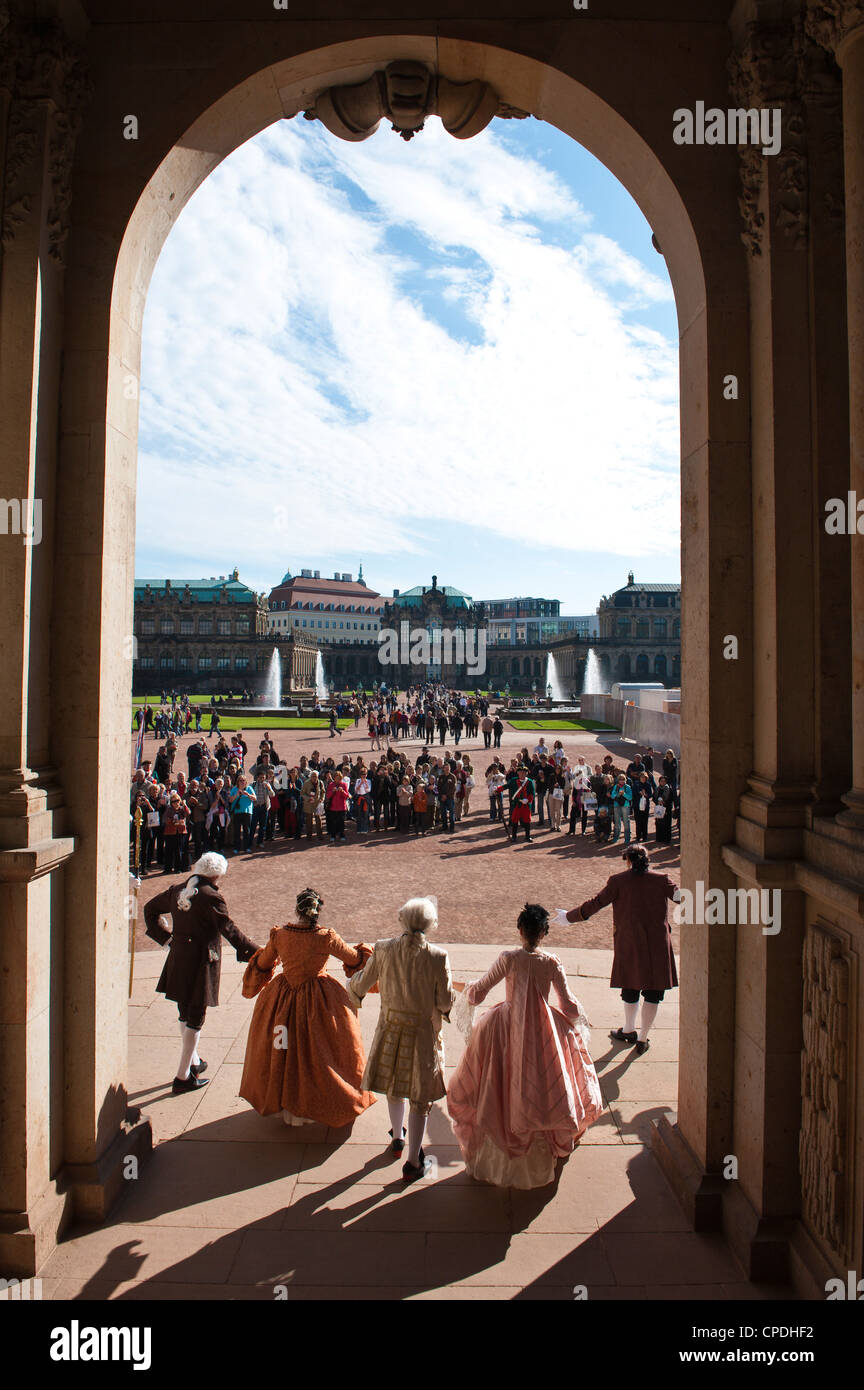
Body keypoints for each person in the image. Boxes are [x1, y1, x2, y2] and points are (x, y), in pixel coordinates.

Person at [447, 904, 603, 1188]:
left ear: (520, 930)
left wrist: (463, 989)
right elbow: (567, 1004)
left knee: (501, 1086)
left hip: (507, 1025)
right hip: (544, 1030)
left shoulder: (508, 959)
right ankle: (540, 1148)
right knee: (543, 1085)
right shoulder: (552, 963)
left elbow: (479, 993)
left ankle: (504, 1148)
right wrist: (578, 1020)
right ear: (543, 933)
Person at [239, 887, 376, 1126]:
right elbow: (354, 959)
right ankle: (318, 1102)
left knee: (284, 1048)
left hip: (282, 997)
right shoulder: (326, 936)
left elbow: (262, 963)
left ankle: (285, 1100)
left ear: (297, 909)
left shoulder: (280, 935)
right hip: (319, 998)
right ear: (318, 911)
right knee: (321, 1053)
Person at [347, 897, 456, 1181]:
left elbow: (360, 983)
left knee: (395, 1087)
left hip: (391, 1027)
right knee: (420, 1098)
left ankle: (397, 1137)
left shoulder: (383, 948)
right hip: (421, 1032)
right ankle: (413, 1163)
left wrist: (352, 990)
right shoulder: (437, 956)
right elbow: (444, 1001)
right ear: (429, 924)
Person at [144, 852, 258, 1092]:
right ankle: (183, 1076)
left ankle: (193, 1062)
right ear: (216, 874)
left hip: (178, 957)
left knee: (184, 1012)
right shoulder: (211, 896)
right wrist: (255, 952)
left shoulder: (178, 889)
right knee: (195, 1017)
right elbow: (228, 929)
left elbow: (150, 909)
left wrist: (166, 940)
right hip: (200, 962)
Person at [560, 845, 678, 1055]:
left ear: (628, 861)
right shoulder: (662, 879)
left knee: (630, 987)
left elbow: (596, 903)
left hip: (629, 942)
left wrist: (570, 917)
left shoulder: (618, 881)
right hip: (657, 944)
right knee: (653, 992)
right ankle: (642, 1038)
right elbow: (683, 897)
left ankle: (629, 1029)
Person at [508, 767, 535, 844]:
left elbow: (532, 793)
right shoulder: (514, 780)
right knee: (515, 821)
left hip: (525, 805)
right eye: (521, 772)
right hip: (517, 804)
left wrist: (528, 800)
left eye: (524, 772)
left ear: (526, 773)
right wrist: (498, 790)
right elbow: (507, 786)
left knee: (527, 821)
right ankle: (514, 836)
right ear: (518, 773)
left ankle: (527, 836)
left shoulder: (529, 782)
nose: (522, 774)